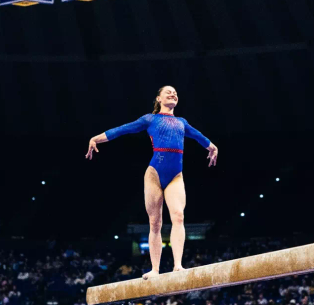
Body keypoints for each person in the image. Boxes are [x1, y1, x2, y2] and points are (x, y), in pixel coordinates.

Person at [86, 86, 218, 279]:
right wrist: (95, 139)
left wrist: (212, 147)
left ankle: (178, 265)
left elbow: (200, 137)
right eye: (169, 92)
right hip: (154, 174)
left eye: (176, 93)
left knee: (179, 216)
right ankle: (155, 269)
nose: (173, 94)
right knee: (155, 223)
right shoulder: (150, 119)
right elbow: (122, 129)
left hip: (175, 175)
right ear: (158, 98)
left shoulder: (182, 122)